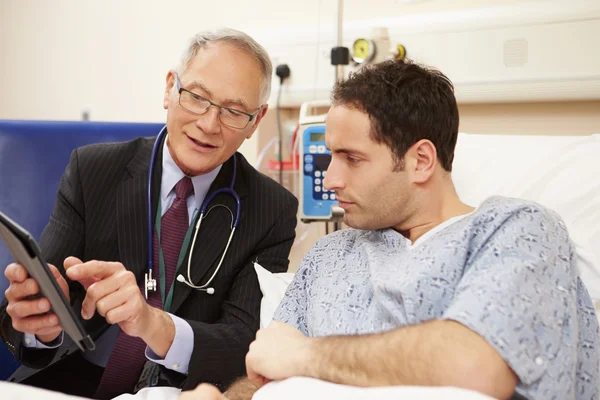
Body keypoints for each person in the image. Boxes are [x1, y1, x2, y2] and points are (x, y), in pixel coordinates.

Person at [188, 59, 600, 400]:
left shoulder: (515, 230)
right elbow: (267, 369)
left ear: (421, 160)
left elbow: (476, 367)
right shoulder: (330, 255)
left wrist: (307, 355)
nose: (329, 179)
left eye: (352, 158)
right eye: (332, 156)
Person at [0, 28, 298, 399]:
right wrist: (40, 326)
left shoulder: (272, 209)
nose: (208, 124)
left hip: (180, 392)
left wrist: (154, 324)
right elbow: (35, 309)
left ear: (256, 121)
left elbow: (245, 345)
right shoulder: (93, 171)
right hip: (72, 383)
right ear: (169, 88)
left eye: (234, 112)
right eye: (197, 98)